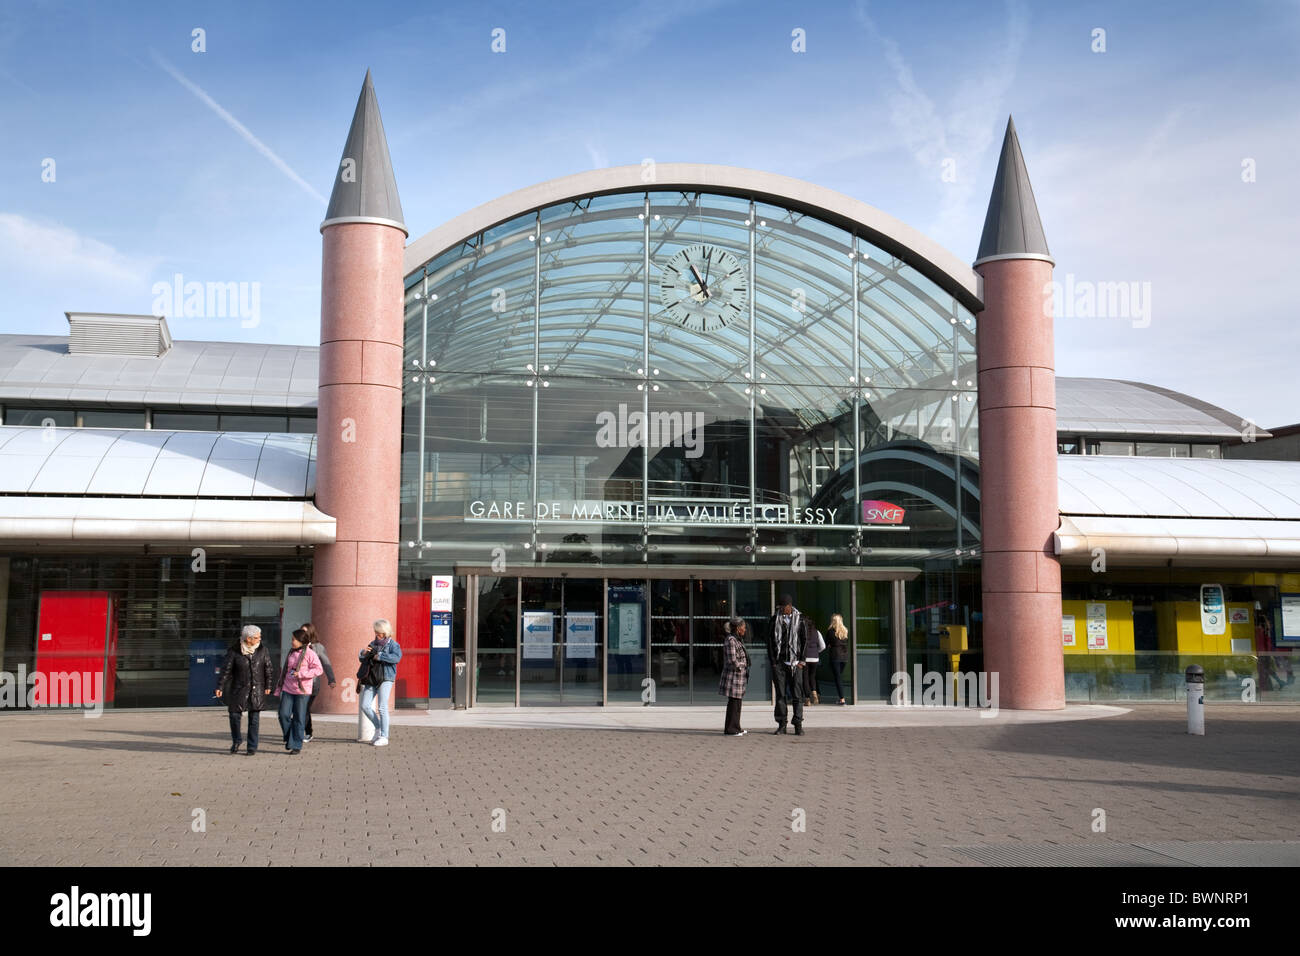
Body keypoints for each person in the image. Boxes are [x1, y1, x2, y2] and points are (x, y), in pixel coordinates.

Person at [217, 624, 274, 755]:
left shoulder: (262, 650)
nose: (260, 639)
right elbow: (226, 670)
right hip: (239, 688)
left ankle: (252, 746)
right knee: (234, 716)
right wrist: (220, 686)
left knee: (254, 718)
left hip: (257, 688)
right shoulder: (234, 651)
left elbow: (268, 669)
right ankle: (236, 740)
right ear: (248, 639)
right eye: (257, 637)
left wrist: (268, 686)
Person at [768, 594, 813, 735]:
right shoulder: (774, 619)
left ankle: (798, 724)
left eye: (782, 607)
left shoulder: (800, 620)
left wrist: (802, 661)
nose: (780, 609)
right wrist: (773, 662)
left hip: (796, 663)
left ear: (789, 606)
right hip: (780, 663)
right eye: (779, 607)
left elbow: (805, 640)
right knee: (780, 695)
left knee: (797, 695)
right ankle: (782, 724)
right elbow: (769, 641)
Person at [277, 627, 324, 755]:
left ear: (301, 641)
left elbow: (319, 670)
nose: (291, 641)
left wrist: (302, 673)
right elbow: (285, 670)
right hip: (287, 688)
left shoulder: (310, 653)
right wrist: (278, 687)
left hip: (302, 691)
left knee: (299, 718)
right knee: (283, 715)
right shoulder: (291, 652)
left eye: (294, 639)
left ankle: (296, 744)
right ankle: (289, 738)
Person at [358, 619, 402, 747]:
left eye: (379, 633)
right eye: (376, 632)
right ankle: (377, 729)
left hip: (386, 678)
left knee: (382, 707)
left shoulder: (393, 645)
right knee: (365, 705)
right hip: (371, 677)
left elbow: (397, 658)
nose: (377, 635)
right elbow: (363, 659)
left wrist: (381, 656)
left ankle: (384, 736)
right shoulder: (372, 643)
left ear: (385, 632)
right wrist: (363, 653)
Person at [299, 622, 336, 742]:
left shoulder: (318, 647)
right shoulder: (297, 645)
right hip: (298, 684)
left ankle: (306, 733)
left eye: (305, 631)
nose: (302, 634)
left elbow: (326, 664)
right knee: (302, 708)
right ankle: (306, 732)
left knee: (304, 708)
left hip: (313, 684)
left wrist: (331, 680)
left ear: (310, 633)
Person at [718, 616, 750, 736]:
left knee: (737, 703)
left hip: (739, 677)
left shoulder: (737, 639)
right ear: (738, 628)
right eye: (743, 627)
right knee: (733, 703)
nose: (745, 629)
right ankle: (731, 729)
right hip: (734, 677)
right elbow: (732, 660)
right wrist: (744, 664)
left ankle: (736, 727)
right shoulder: (731, 640)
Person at [826, 613, 851, 705]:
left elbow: (826, 643)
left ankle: (842, 699)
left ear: (833, 621)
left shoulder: (830, 631)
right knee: (839, 677)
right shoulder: (845, 631)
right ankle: (841, 697)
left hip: (835, 656)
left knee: (838, 678)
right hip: (844, 657)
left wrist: (831, 645)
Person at [804, 624, 826, 704]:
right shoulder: (817, 632)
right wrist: (817, 652)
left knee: (805, 678)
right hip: (815, 658)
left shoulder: (803, 631)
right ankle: (814, 692)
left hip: (805, 658)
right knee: (812, 677)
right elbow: (823, 646)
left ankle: (807, 699)